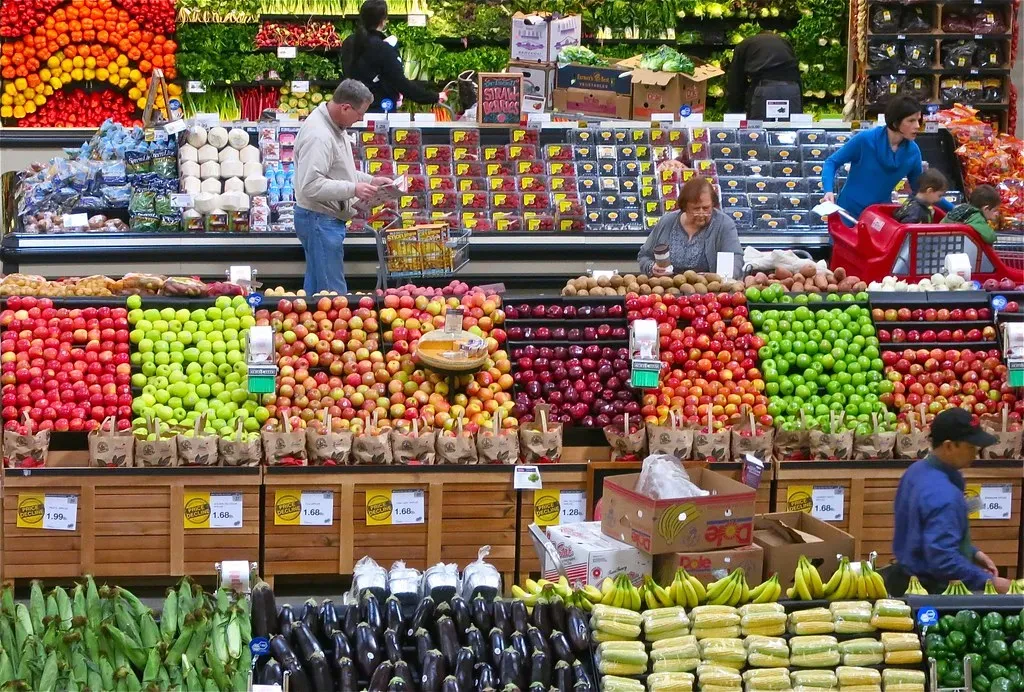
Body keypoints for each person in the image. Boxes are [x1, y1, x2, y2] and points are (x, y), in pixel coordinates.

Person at [883, 407, 1010, 595]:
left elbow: (930, 534)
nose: (975, 453)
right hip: (932, 590)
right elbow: (943, 560)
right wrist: (992, 582)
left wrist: (973, 553)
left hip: (903, 578)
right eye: (970, 447)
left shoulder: (916, 471)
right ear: (949, 446)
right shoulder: (944, 494)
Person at [293, 80, 392, 295]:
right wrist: (353, 189)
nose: (361, 119)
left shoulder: (335, 126)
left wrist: (370, 180)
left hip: (324, 219)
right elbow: (310, 185)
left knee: (318, 289)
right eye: (360, 114)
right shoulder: (319, 136)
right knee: (332, 293)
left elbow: (338, 170)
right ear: (345, 107)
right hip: (319, 219)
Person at [821, 96, 953, 221]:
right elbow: (831, 162)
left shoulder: (913, 152)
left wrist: (954, 209)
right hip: (849, 213)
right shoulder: (865, 140)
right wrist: (828, 191)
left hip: (879, 215)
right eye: (911, 120)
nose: (918, 126)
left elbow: (921, 189)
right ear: (895, 122)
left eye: (918, 120)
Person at [341, 0, 441, 113]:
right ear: (383, 21)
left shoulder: (348, 42)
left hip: (350, 109)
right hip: (378, 110)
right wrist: (434, 96)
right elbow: (402, 84)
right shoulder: (383, 48)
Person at [637, 177, 744, 277]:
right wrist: (652, 268)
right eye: (696, 209)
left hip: (709, 288)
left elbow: (736, 259)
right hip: (667, 287)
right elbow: (644, 255)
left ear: (713, 204)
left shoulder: (723, 224)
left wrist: (717, 278)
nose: (701, 213)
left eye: (706, 208)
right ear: (685, 207)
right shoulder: (667, 222)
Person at [725, 32, 802, 120]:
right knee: (789, 126)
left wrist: (735, 109)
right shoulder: (785, 42)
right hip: (791, 89)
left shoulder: (745, 44)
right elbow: (796, 73)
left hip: (764, 89)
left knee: (759, 127)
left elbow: (736, 81)